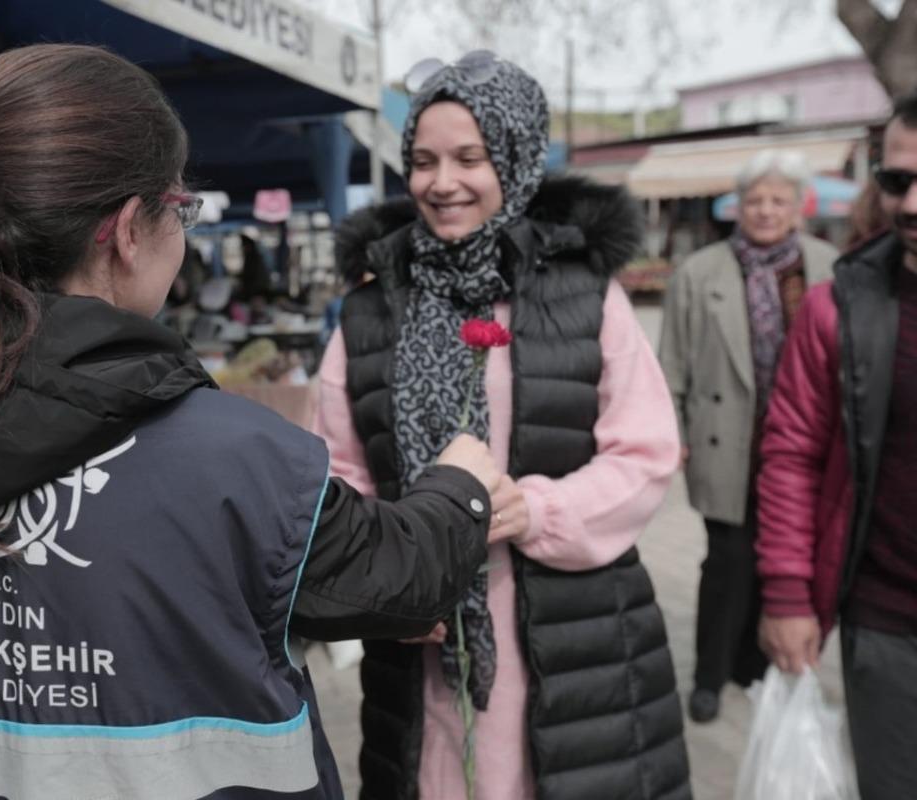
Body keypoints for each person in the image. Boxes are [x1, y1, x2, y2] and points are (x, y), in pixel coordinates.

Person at [0, 44, 509, 800]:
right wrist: (462, 485)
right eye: (182, 206)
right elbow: (398, 581)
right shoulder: (237, 462)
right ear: (129, 227)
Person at [313, 52, 689, 800]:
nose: (441, 182)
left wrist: (539, 508)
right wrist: (384, 575)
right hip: (420, 652)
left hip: (576, 642)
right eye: (422, 161)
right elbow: (335, 476)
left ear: (516, 159)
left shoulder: (583, 295)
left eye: (468, 157)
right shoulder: (369, 310)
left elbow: (645, 451)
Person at [755, 91, 917, 800]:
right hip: (886, 624)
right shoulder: (839, 305)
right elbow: (792, 451)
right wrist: (789, 594)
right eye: (898, 180)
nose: (911, 204)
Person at [658, 149, 839, 723]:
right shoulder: (700, 271)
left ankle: (754, 668)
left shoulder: (828, 265)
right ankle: (710, 676)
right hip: (727, 438)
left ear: (798, 207)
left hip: (806, 442)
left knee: (785, 561)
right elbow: (672, 365)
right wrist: (673, 432)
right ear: (738, 205)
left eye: (778, 200)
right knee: (727, 564)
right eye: (755, 200)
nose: (765, 211)